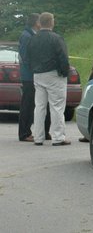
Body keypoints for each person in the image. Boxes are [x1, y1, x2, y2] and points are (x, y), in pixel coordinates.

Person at [27, 12, 71, 146]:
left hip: (38, 74)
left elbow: (27, 57)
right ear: (52, 22)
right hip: (53, 75)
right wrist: (64, 72)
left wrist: (34, 69)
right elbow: (63, 57)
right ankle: (58, 137)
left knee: (39, 107)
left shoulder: (33, 38)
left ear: (40, 23)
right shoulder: (56, 38)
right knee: (57, 106)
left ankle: (38, 137)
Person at [17, 14, 50, 142]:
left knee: (39, 104)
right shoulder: (26, 36)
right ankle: (24, 133)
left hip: (34, 75)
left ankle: (43, 131)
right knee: (28, 104)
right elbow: (26, 57)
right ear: (36, 22)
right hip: (29, 76)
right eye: (39, 20)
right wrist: (37, 68)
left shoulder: (32, 35)